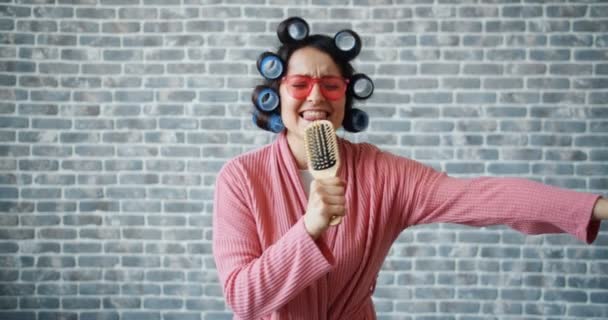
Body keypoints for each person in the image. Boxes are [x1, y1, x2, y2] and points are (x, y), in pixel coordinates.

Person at [212, 17, 607, 320]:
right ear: (276, 93)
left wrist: (598, 206)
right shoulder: (242, 178)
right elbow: (244, 298)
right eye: (300, 84)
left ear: (346, 96)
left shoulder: (381, 174)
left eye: (331, 85)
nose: (316, 96)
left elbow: (483, 198)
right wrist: (309, 227)